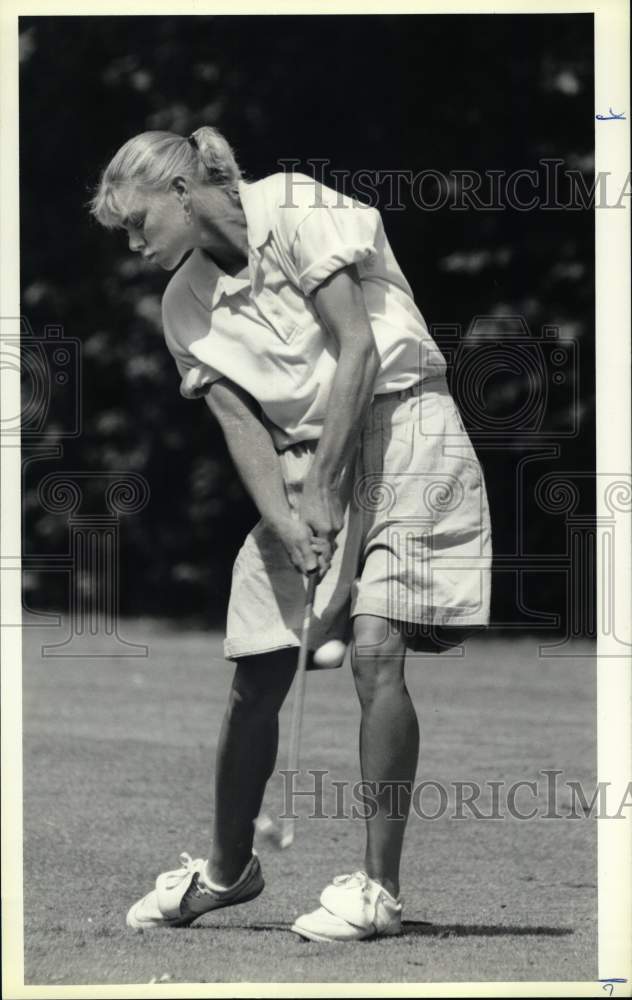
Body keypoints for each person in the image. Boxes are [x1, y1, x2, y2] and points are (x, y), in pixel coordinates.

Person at [88, 126, 492, 942]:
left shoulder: (299, 205)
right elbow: (241, 427)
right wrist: (286, 515)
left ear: (181, 192)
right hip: (307, 462)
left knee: (375, 645)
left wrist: (330, 493)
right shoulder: (182, 305)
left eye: (137, 224)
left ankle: (379, 890)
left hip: (409, 427)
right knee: (257, 676)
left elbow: (360, 352)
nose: (133, 246)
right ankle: (229, 871)